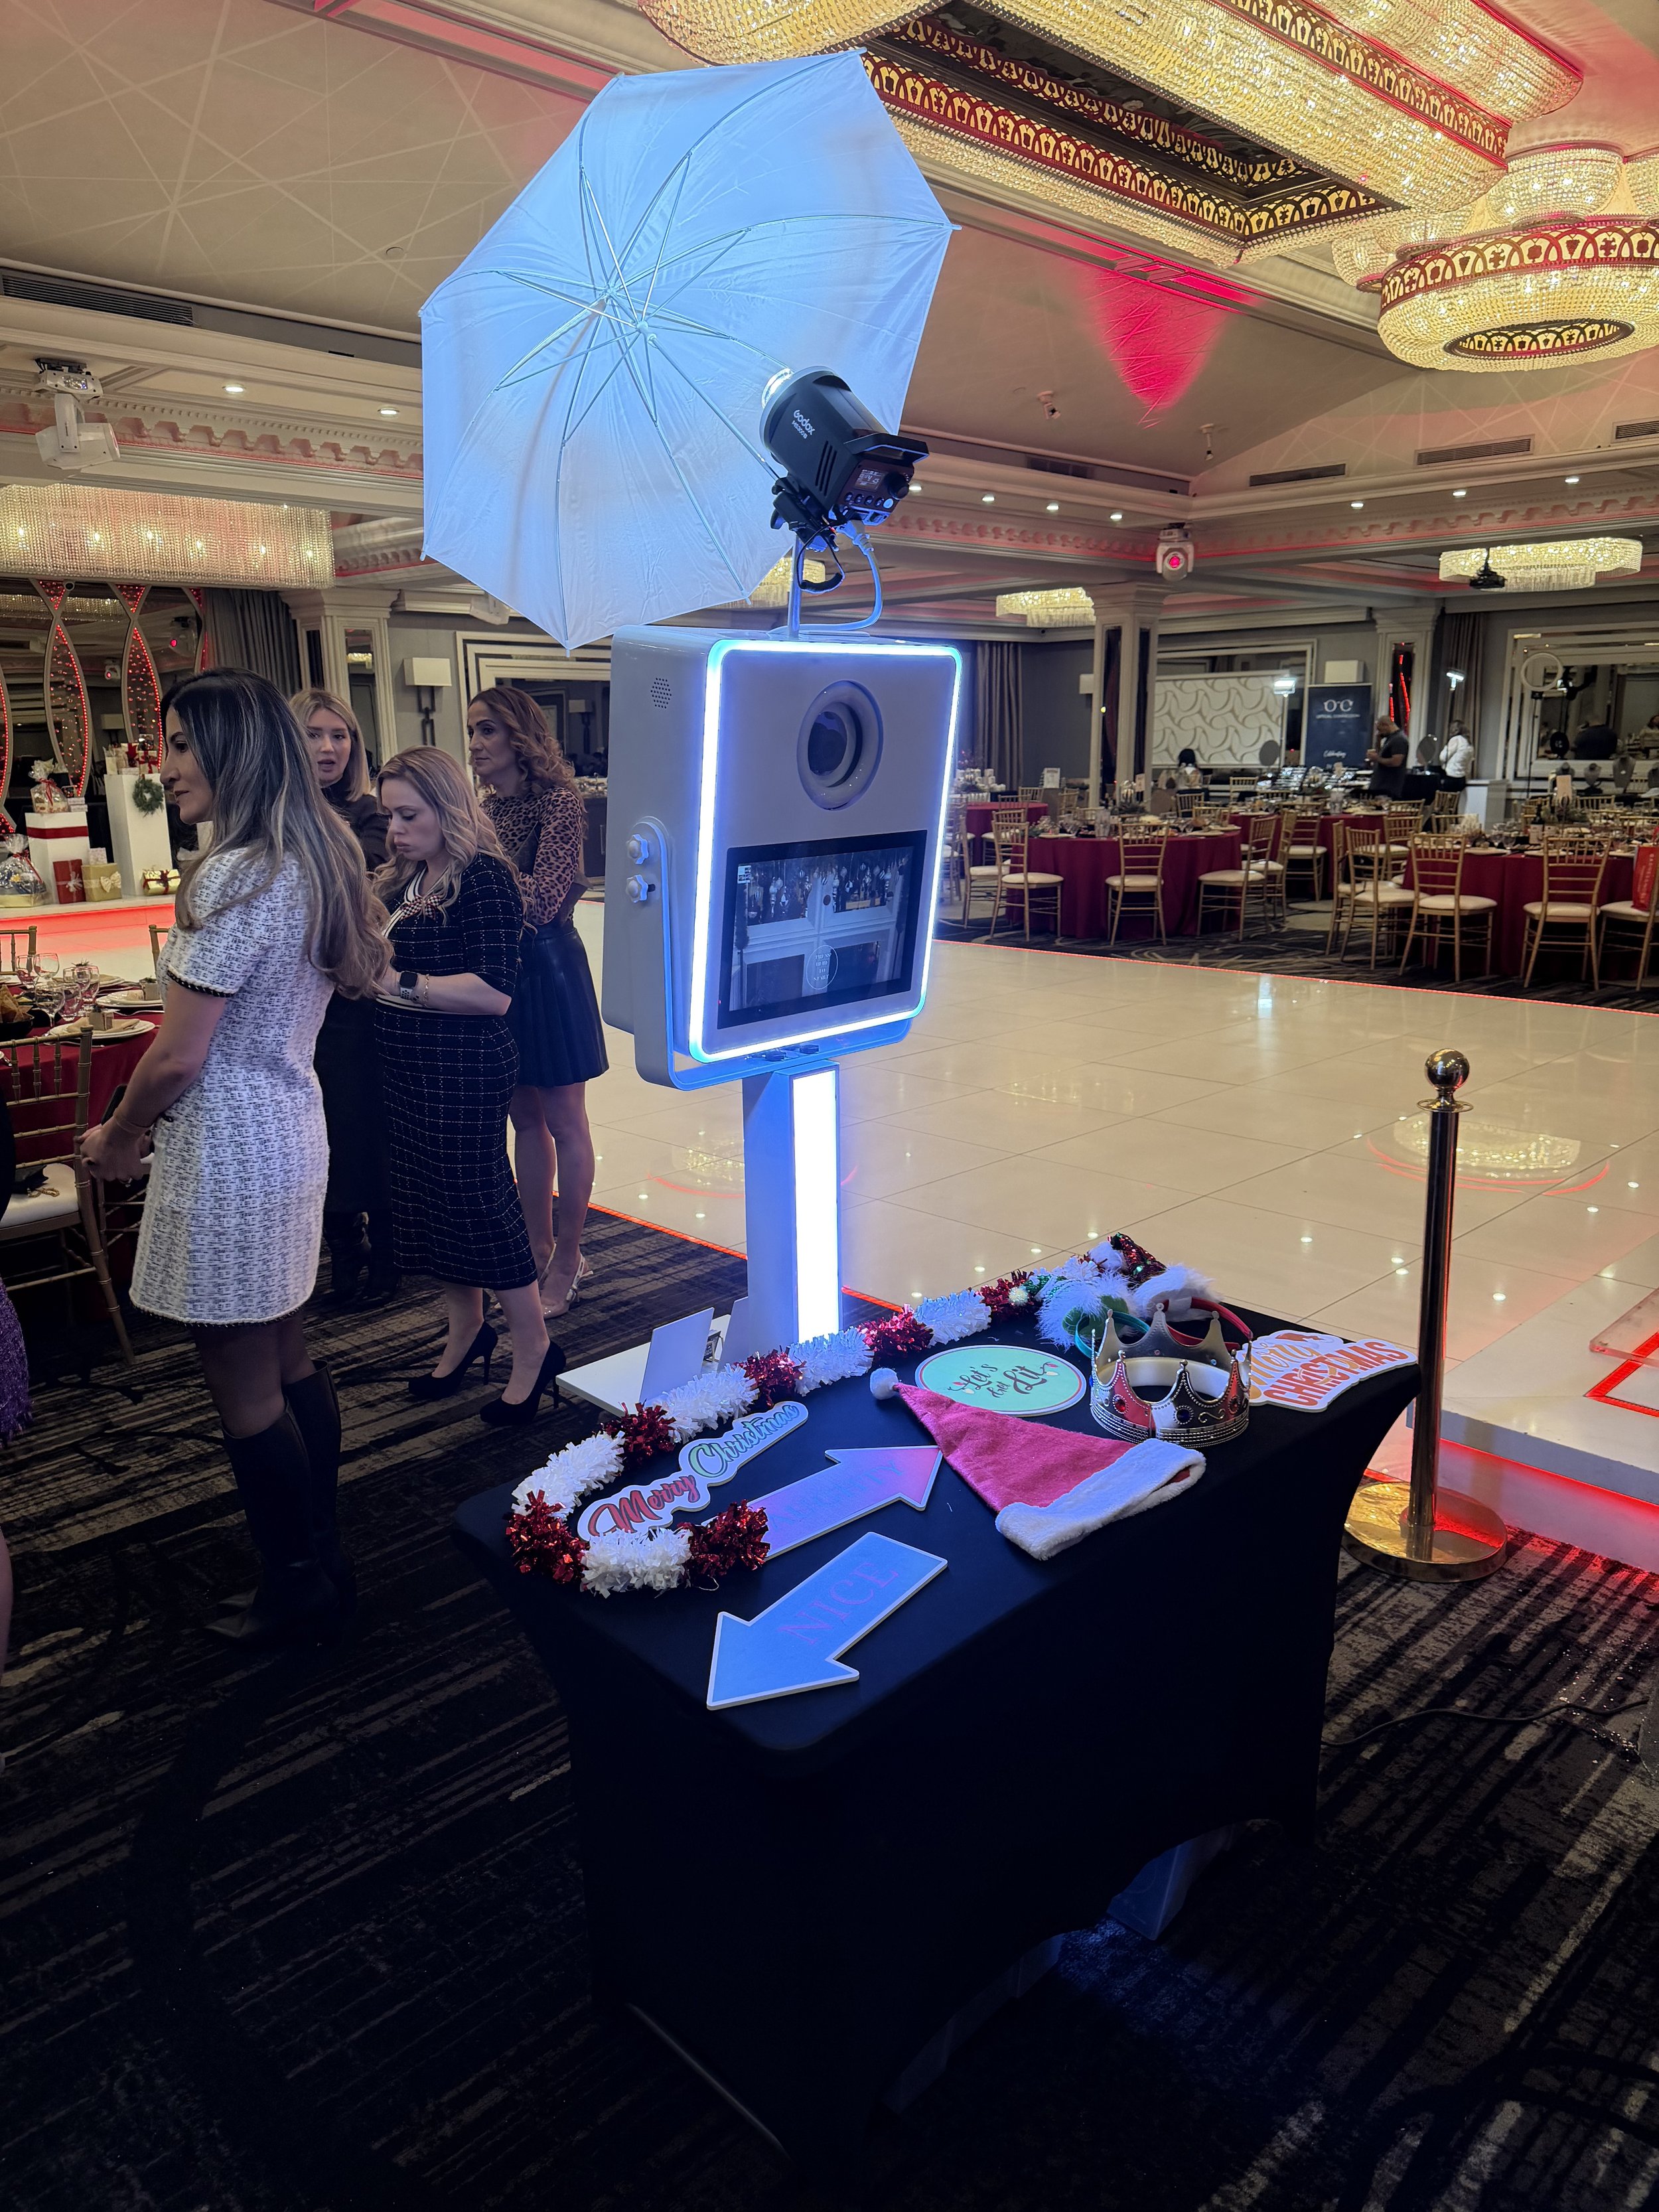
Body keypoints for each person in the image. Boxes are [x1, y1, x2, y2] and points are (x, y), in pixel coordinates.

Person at [80, 670, 386, 1649]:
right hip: (291, 1126)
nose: (162, 768)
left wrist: (119, 1138)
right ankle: (320, 1553)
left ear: (234, 752)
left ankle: (297, 1582)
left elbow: (177, 1054)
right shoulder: (313, 856)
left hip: (228, 1148)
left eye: (178, 745)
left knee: (244, 1382)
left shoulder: (237, 871)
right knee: (288, 1355)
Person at [372, 747, 561, 1425]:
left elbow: (493, 993)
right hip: (407, 1068)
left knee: (480, 1207)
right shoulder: (408, 879)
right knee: (432, 1207)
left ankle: (535, 1343)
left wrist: (398, 983)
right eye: (388, 814)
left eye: (408, 813)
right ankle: (467, 1330)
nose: (395, 828)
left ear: (446, 807)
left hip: (463, 1068)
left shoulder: (484, 879)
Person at [466, 688, 608, 1319]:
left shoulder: (560, 803)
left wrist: (479, 855)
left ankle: (571, 1256)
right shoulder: (483, 809)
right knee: (523, 1117)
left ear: (519, 738)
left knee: (565, 1118)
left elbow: (543, 899)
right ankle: (537, 1245)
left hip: (549, 966)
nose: (475, 743)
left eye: (488, 730)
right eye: (471, 731)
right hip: (500, 973)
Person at [292, 687, 397, 1305]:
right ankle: (341, 1251)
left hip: (358, 996)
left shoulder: (372, 814)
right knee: (319, 1127)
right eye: (314, 734)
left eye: (341, 735)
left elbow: (362, 891)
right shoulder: (276, 817)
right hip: (299, 998)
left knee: (365, 1126)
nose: (330, 746)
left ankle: (385, 1251)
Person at [1366, 716, 1409, 798]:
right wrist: (1378, 741)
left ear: (1386, 725)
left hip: (1389, 787)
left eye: (1380, 730)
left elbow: (1396, 762)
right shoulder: (1390, 738)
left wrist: (1377, 758)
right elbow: (1381, 755)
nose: (1379, 732)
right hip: (1380, 784)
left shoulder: (1399, 740)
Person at [1441, 722, 1475, 788]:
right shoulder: (1469, 743)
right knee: (1457, 798)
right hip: (1462, 778)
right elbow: (1469, 764)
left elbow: (1443, 757)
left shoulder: (1456, 740)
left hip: (1451, 776)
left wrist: (1446, 746)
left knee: (1445, 798)